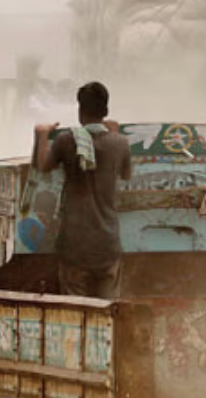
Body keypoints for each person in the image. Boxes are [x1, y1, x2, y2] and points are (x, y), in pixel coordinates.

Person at [32, 81, 133, 299]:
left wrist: (41, 136)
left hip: (75, 245)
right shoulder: (120, 143)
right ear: (105, 111)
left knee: (76, 314)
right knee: (107, 315)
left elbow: (42, 166)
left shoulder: (66, 141)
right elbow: (126, 174)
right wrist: (114, 132)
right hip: (107, 244)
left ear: (80, 112)